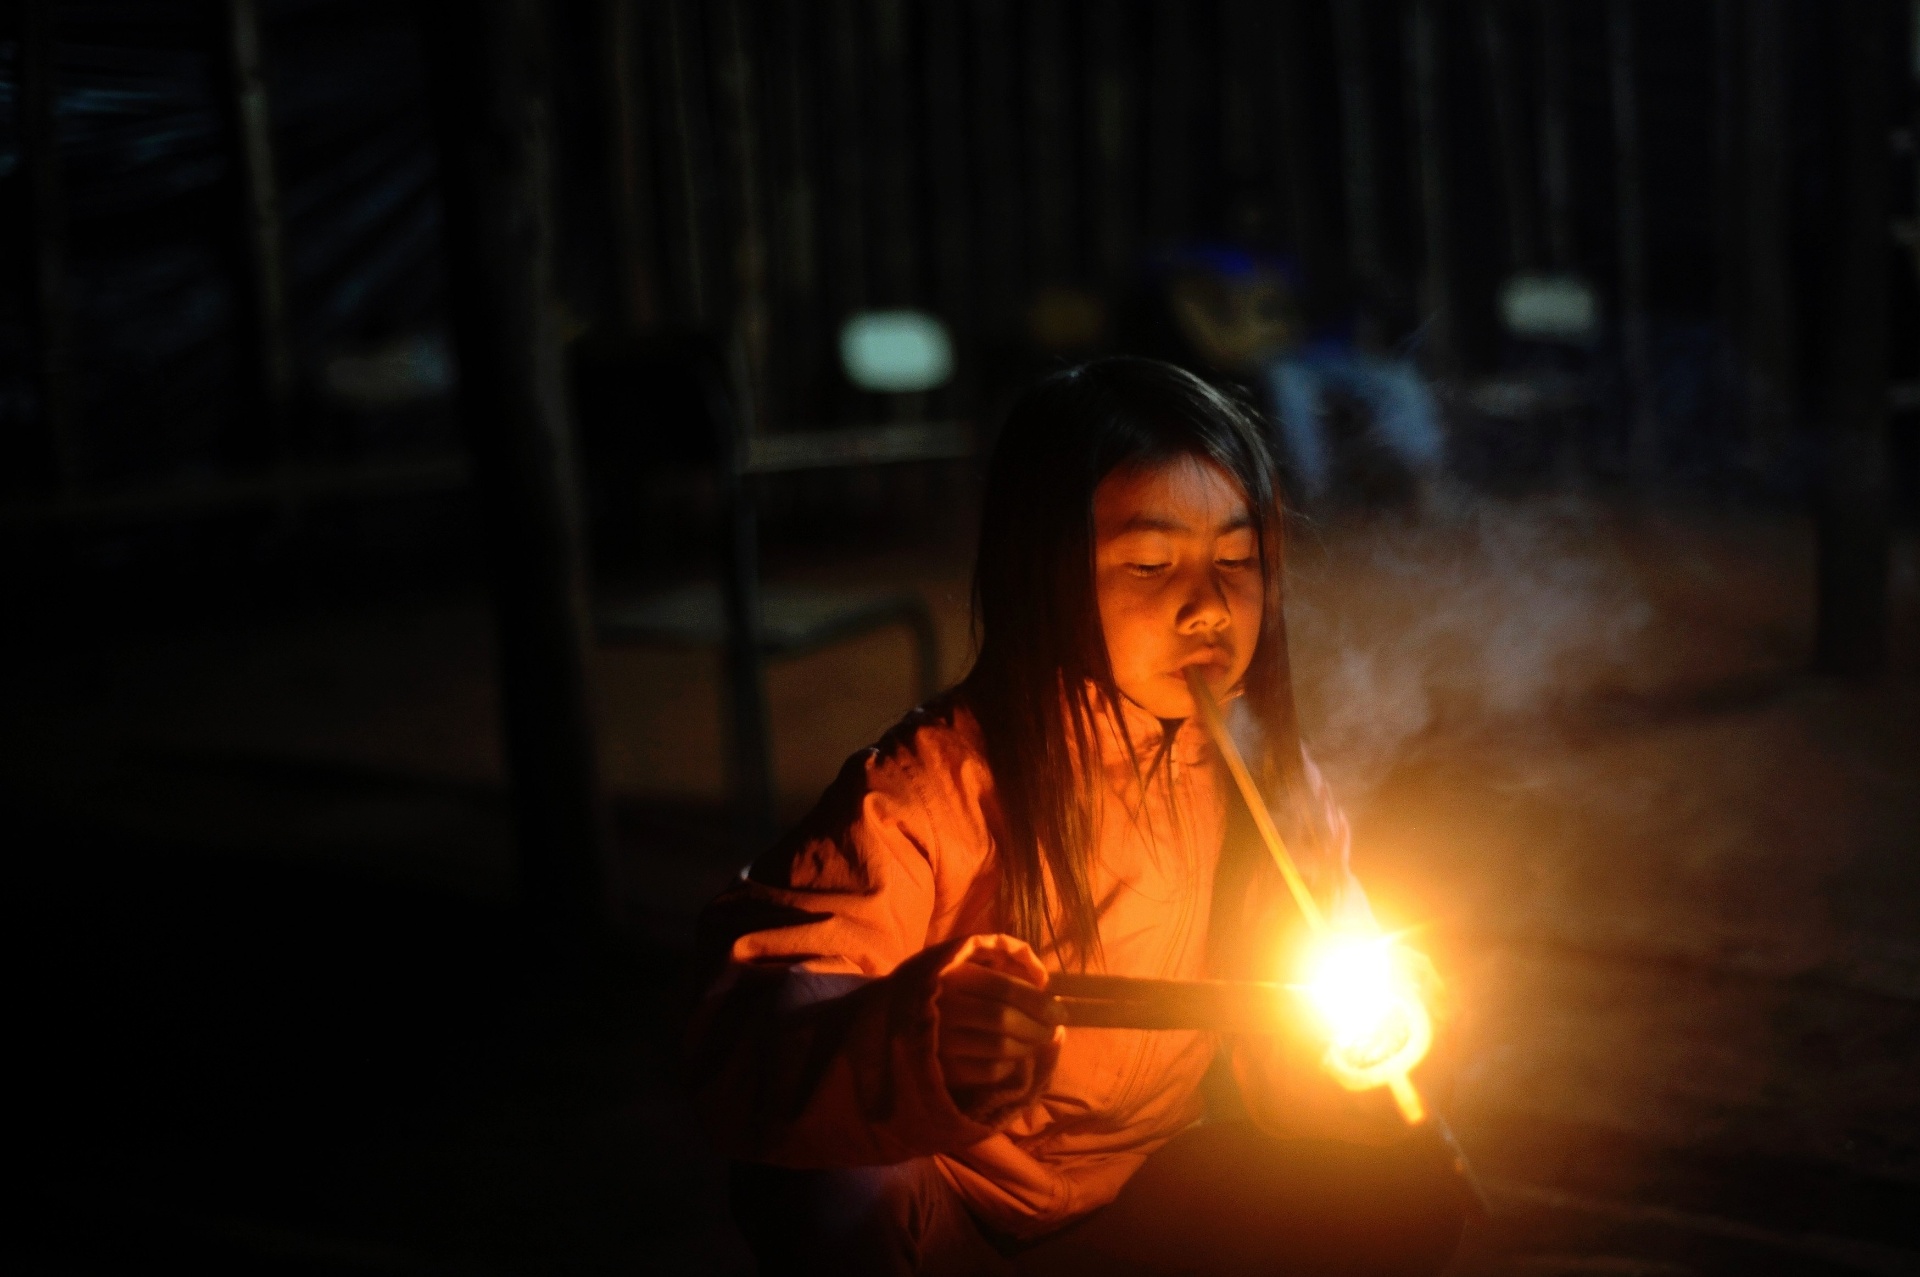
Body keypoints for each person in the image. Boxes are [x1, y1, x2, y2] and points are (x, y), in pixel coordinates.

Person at [686, 358, 1467, 1275]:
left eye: (1236, 559)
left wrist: (1368, 1043)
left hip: (1137, 1196)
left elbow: (1299, 1037)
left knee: (1411, 1169)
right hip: (947, 1214)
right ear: (1045, 573)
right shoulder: (934, 785)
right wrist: (926, 1036)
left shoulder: (1271, 785)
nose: (1209, 606)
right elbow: (745, 1031)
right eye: (1149, 562)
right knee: (824, 1187)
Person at [1164, 246, 1446, 506]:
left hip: (1324, 356)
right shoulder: (1203, 265)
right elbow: (1227, 349)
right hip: (1272, 360)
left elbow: (1301, 322)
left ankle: (1428, 479)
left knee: (1398, 377)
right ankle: (1315, 492)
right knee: (1289, 385)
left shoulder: (1291, 265)